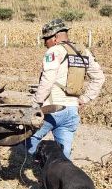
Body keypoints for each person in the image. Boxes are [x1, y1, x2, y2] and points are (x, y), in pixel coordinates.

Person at [27, 18, 106, 159]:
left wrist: (36, 103)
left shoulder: (54, 51)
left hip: (52, 109)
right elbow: (99, 77)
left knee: (28, 138)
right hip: (72, 112)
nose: (45, 43)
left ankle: (43, 165)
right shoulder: (83, 51)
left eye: (46, 39)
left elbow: (47, 80)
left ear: (55, 37)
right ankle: (58, 170)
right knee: (64, 154)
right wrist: (84, 99)